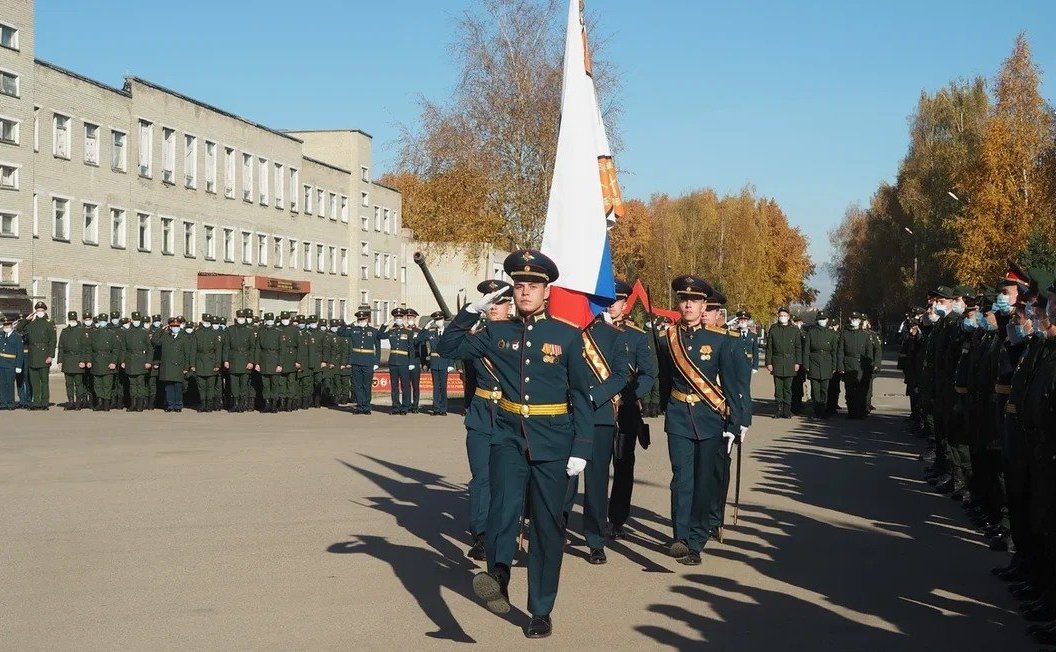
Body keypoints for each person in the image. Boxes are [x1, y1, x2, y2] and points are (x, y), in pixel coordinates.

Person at [438, 249, 594, 639]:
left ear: (546, 291)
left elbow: (581, 394)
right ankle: (499, 575)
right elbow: (447, 348)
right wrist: (471, 311)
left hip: (554, 440)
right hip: (508, 435)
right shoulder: (496, 332)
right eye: (519, 285)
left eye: (534, 286)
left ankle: (540, 609)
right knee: (501, 511)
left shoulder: (566, 335)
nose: (525, 292)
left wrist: (582, 447)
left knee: (546, 526)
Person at [658, 275, 747, 565]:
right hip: (679, 416)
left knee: (703, 480)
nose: (688, 304)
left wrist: (736, 423)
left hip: (710, 418)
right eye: (684, 299)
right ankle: (681, 537)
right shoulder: (667, 338)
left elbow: (732, 385)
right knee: (681, 478)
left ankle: (696, 542)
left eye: (694, 300)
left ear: (704, 305)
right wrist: (663, 408)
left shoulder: (720, 341)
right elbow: (663, 379)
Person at [563, 287, 631, 565]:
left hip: (599, 415)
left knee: (596, 481)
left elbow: (620, 376)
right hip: (566, 414)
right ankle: (555, 531)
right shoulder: (565, 331)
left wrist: (593, 395)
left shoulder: (614, 336)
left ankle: (595, 539)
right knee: (564, 479)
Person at [461, 279, 513, 561]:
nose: (495, 307)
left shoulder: (523, 336)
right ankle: (480, 535)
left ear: (510, 305)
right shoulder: (475, 337)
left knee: (507, 479)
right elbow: (467, 375)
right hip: (482, 413)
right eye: (490, 302)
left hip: (511, 413)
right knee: (481, 478)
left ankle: (505, 530)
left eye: (500, 302)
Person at [608, 280, 659, 541]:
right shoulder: (590, 330)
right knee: (591, 467)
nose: (611, 304)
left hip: (626, 409)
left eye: (616, 300)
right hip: (598, 408)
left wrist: (632, 395)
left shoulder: (637, 335)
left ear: (625, 303)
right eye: (607, 299)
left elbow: (650, 373)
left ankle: (616, 519)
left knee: (623, 466)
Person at [17, 301, 57, 410]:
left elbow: (53, 341)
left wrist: (51, 355)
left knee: (44, 381)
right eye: (38, 311)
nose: (40, 312)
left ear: (45, 312)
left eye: (42, 311)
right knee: (34, 381)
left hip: (44, 355)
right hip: (33, 355)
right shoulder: (30, 325)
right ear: (35, 312)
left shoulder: (49, 324)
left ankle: (44, 402)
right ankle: (36, 402)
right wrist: (26, 319)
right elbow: (18, 329)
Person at [416, 311, 456, 416]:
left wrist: (451, 364)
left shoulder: (448, 333)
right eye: (436, 320)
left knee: (443, 387)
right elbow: (419, 339)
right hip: (434, 363)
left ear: (443, 320)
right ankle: (436, 408)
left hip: (444, 361)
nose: (438, 322)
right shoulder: (431, 333)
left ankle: (443, 409)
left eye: (440, 320)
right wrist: (426, 327)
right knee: (435, 387)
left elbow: (452, 348)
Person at [764, 306, 802, 418]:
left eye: (785, 315)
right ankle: (779, 410)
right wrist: (768, 363)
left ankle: (787, 411)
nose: (783, 317)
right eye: (781, 315)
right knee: (778, 388)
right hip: (777, 361)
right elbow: (769, 348)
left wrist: (797, 363)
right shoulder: (774, 329)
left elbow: (798, 348)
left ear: (788, 317)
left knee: (788, 388)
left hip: (790, 361)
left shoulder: (794, 330)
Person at [802, 310, 838, 419]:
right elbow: (806, 350)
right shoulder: (811, 332)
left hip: (827, 363)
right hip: (814, 362)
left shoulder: (831, 333)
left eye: (824, 319)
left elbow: (834, 351)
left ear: (827, 320)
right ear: (817, 320)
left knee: (824, 389)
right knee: (815, 389)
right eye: (820, 319)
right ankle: (816, 411)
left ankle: (823, 410)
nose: (822, 321)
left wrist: (834, 366)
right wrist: (806, 365)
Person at [152, 317, 193, 412]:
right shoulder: (166, 336)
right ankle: (170, 404)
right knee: (169, 387)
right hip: (167, 366)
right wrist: (161, 329)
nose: (175, 327)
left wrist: (186, 367)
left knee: (178, 387)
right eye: (173, 326)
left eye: (177, 326)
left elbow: (187, 354)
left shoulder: (183, 338)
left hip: (179, 366)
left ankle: (178, 405)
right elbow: (155, 341)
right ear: (170, 327)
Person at [378, 308, 414, 415]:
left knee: (405, 385)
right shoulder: (391, 331)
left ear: (403, 319)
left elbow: (411, 348)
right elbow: (379, 336)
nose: (398, 319)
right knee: (394, 386)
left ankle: (405, 407)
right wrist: (384, 325)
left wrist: (411, 362)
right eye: (396, 318)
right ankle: (395, 407)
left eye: (399, 317)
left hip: (404, 361)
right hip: (393, 361)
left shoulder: (408, 332)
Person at [836, 311, 871, 420]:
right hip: (848, 364)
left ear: (860, 321)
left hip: (861, 365)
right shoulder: (845, 333)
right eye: (853, 318)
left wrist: (869, 367)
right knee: (850, 390)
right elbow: (840, 351)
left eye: (857, 319)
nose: (855, 320)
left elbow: (868, 352)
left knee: (861, 390)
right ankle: (852, 412)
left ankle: (861, 412)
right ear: (850, 320)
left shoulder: (865, 335)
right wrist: (840, 366)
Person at [348, 306, 381, 414]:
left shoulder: (373, 331)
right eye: (359, 319)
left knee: (366, 385)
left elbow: (378, 347)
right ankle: (360, 406)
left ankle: (367, 407)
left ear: (367, 319)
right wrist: (348, 324)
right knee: (357, 386)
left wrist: (377, 362)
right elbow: (340, 333)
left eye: (362, 319)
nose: (361, 321)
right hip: (356, 361)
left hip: (368, 361)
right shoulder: (353, 330)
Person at [225, 309, 258, 413]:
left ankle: (242, 404)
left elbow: (253, 347)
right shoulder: (230, 329)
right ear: (236, 318)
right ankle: (235, 404)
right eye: (239, 317)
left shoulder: (249, 330)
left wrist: (251, 361)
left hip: (245, 359)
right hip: (233, 359)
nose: (241, 319)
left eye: (242, 317)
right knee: (234, 384)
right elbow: (226, 346)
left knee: (244, 384)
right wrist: (226, 360)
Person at [118, 312, 153, 412]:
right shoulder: (127, 333)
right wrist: (122, 361)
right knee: (132, 384)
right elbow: (123, 348)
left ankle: (140, 404)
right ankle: (133, 404)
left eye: (138, 320)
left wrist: (148, 361)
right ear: (131, 321)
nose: (136, 321)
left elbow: (150, 349)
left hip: (141, 360)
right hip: (130, 360)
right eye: (135, 320)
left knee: (140, 383)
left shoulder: (144, 332)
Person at [87, 312, 121, 411]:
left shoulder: (111, 334)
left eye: (104, 321)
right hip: (96, 360)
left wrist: (113, 362)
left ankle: (106, 403)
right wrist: (88, 361)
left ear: (107, 321)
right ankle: (99, 402)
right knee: (97, 384)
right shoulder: (93, 333)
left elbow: (116, 349)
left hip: (108, 361)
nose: (102, 322)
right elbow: (89, 349)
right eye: (101, 321)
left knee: (107, 384)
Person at [57, 311, 90, 410]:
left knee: (79, 383)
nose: (72, 321)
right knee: (69, 383)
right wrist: (60, 361)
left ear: (77, 319)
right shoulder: (65, 331)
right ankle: (71, 402)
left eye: (74, 319)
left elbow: (85, 348)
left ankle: (78, 402)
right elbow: (61, 347)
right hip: (67, 360)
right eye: (71, 320)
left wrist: (83, 360)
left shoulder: (81, 331)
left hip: (77, 359)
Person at [192, 314, 224, 412]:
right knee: (201, 385)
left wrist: (217, 364)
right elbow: (193, 350)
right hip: (200, 360)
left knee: (210, 386)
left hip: (211, 360)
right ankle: (203, 404)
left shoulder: (215, 333)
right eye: (205, 321)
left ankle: (209, 404)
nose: (207, 323)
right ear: (202, 321)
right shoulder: (197, 333)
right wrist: (192, 364)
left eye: (208, 321)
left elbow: (218, 351)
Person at [0, 316, 26, 410]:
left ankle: (11, 403)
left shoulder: (17, 337)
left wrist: (18, 366)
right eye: (5, 325)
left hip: (11, 364)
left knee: (10, 384)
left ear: (12, 326)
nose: (6, 327)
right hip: (1, 364)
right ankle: (2, 403)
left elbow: (20, 352)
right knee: (2, 384)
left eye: (8, 325)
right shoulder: (1, 335)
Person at [406, 308, 424, 413]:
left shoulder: (419, 331)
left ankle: (415, 405)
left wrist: (424, 362)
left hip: (416, 360)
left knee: (415, 385)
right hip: (405, 359)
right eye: (408, 317)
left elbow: (423, 348)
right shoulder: (403, 330)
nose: (409, 319)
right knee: (406, 384)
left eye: (411, 317)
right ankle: (407, 404)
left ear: (415, 318)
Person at [789, 315, 808, 414]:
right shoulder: (790, 332)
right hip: (790, 362)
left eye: (799, 322)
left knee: (799, 385)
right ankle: (792, 406)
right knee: (791, 386)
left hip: (801, 364)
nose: (797, 324)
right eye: (795, 322)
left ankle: (798, 405)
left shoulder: (804, 334)